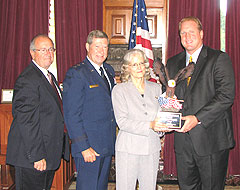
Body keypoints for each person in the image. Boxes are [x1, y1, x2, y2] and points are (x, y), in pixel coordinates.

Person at [166, 16, 235, 190]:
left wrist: (197, 118)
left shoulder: (218, 58)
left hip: (211, 139)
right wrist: (166, 106)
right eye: (183, 33)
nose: (187, 37)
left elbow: (226, 96)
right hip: (183, 142)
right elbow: (171, 97)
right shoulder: (172, 63)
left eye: (191, 32)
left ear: (202, 33)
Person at [6, 34, 69, 190]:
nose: (48, 53)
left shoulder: (48, 76)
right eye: (43, 50)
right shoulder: (28, 79)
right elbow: (27, 121)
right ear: (32, 53)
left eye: (50, 49)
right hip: (32, 157)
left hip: (47, 154)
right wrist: (37, 155)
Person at [62, 30, 116, 190]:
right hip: (89, 147)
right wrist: (84, 147)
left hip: (105, 144)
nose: (101, 51)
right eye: (97, 46)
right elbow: (72, 114)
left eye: (105, 47)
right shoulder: (77, 73)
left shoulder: (108, 71)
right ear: (87, 47)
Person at [112, 49, 168, 190]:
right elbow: (122, 122)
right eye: (134, 64)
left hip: (151, 147)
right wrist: (151, 125)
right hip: (128, 149)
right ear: (127, 68)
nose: (139, 67)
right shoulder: (119, 90)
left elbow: (160, 115)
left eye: (141, 63)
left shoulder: (157, 88)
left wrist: (162, 127)